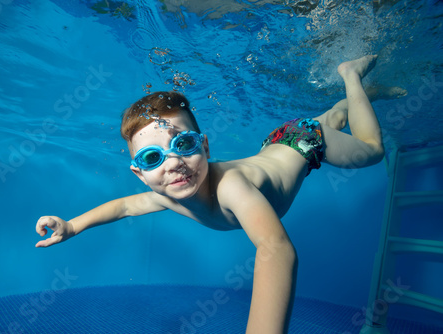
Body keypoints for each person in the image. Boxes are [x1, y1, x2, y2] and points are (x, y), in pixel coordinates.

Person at [35, 55, 405, 333]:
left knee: (372, 149)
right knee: (331, 120)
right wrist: (72, 225)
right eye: (152, 157)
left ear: (205, 147)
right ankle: (347, 106)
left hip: (305, 143)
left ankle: (351, 77)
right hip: (280, 140)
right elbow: (124, 207)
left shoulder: (231, 187)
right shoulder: (166, 195)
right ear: (140, 174)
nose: (174, 162)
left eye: (184, 143)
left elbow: (276, 250)